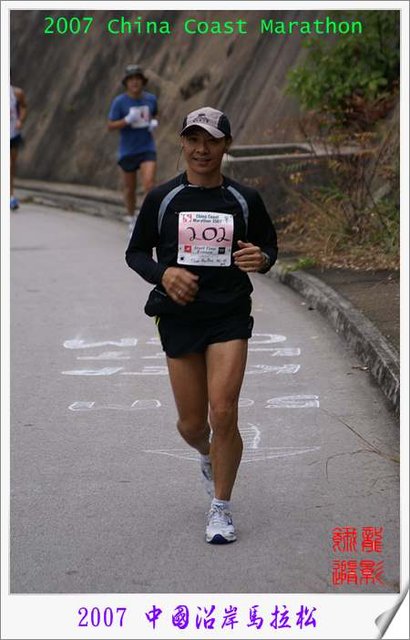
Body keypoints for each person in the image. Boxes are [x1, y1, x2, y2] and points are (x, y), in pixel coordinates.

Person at [125, 107, 278, 544]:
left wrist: (262, 259)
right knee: (192, 426)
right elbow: (136, 253)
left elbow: (269, 247)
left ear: (226, 145)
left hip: (229, 314)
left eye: (212, 140)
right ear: (182, 143)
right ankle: (207, 453)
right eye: (194, 139)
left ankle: (221, 507)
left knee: (223, 410)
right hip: (180, 318)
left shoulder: (245, 198)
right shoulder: (163, 199)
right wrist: (164, 274)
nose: (202, 149)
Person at [108, 64, 158, 232]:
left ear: (143, 81)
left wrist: (153, 122)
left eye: (138, 79)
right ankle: (131, 217)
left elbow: (154, 113)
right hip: (128, 150)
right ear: (126, 83)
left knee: (149, 184)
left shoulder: (150, 99)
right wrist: (126, 120)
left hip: (147, 147)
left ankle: (146, 219)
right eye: (131, 79)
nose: (135, 82)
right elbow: (110, 125)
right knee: (130, 188)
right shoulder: (119, 102)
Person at [10, 84, 28, 210]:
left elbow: (23, 106)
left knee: (11, 165)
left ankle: (10, 196)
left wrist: (20, 120)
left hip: (12, 134)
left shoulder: (17, 93)